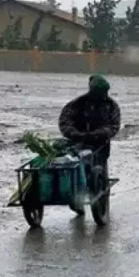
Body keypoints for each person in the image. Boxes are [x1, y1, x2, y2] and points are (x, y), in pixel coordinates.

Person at [58, 74, 121, 215]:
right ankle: (76, 200)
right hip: (78, 145)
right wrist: (74, 133)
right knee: (76, 171)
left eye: (105, 92)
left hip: (100, 146)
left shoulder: (111, 105)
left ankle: (102, 204)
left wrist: (101, 133)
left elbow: (114, 126)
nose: (104, 95)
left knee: (101, 174)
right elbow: (64, 121)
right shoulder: (77, 104)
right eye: (101, 93)